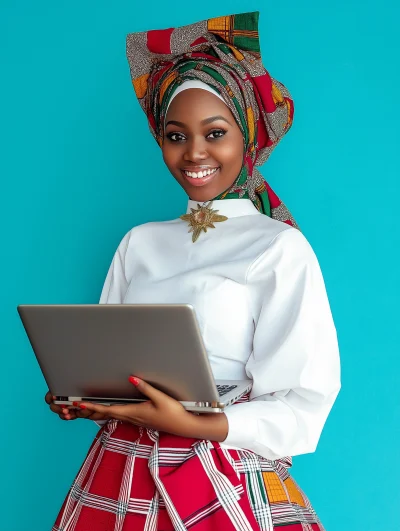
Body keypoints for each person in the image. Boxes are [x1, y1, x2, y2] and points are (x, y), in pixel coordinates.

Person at [47, 11, 340, 531]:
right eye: (176, 135)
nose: (195, 153)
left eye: (216, 132)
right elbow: (109, 356)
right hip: (121, 470)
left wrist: (198, 422)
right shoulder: (140, 242)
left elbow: (302, 401)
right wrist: (88, 396)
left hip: (220, 470)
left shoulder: (278, 246)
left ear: (247, 136)